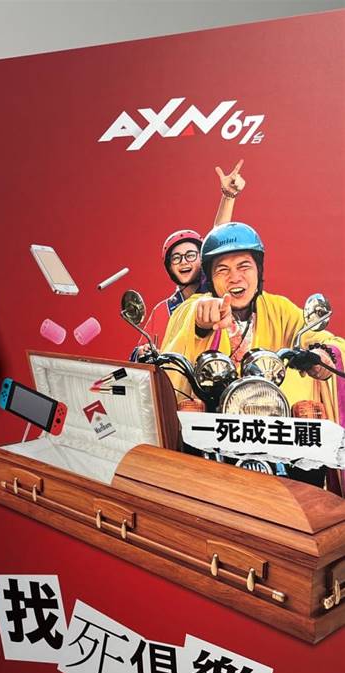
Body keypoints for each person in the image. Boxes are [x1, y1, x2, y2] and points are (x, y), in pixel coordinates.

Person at [161, 222, 345, 484]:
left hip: (272, 429)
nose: (235, 278)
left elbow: (320, 337)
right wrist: (202, 323)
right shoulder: (194, 306)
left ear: (259, 270)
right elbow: (190, 321)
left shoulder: (279, 308)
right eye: (222, 269)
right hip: (215, 431)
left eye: (244, 266)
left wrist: (321, 356)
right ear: (210, 278)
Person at [135, 161, 246, 355]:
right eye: (176, 258)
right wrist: (142, 352)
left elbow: (218, 237)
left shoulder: (217, 292)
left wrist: (228, 196)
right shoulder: (162, 310)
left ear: (203, 259)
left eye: (190, 255)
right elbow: (138, 354)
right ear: (169, 267)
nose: (184, 261)